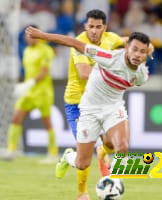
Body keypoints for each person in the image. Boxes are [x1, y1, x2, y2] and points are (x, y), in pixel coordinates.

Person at [26, 26, 150, 200]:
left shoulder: (142, 74)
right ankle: (69, 156)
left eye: (142, 52)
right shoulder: (108, 57)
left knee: (122, 147)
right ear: (127, 47)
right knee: (82, 164)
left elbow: (137, 76)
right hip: (90, 110)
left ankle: (113, 183)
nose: (137, 54)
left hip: (114, 108)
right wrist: (42, 35)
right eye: (135, 49)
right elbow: (74, 43)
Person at [57, 9, 126, 179]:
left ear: (105, 27)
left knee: (107, 145)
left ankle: (106, 183)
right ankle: (69, 158)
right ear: (85, 26)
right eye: (91, 26)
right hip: (77, 102)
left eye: (98, 27)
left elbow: (124, 42)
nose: (94, 31)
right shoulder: (79, 44)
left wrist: (143, 48)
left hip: (99, 103)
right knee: (84, 159)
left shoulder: (111, 39)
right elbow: (84, 72)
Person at [0, 25, 58, 163]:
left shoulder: (46, 50)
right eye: (26, 35)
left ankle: (53, 153)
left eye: (31, 35)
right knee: (16, 118)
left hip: (42, 92)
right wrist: (25, 85)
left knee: (47, 122)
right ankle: (11, 150)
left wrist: (29, 83)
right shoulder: (26, 51)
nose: (28, 38)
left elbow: (43, 72)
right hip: (28, 92)